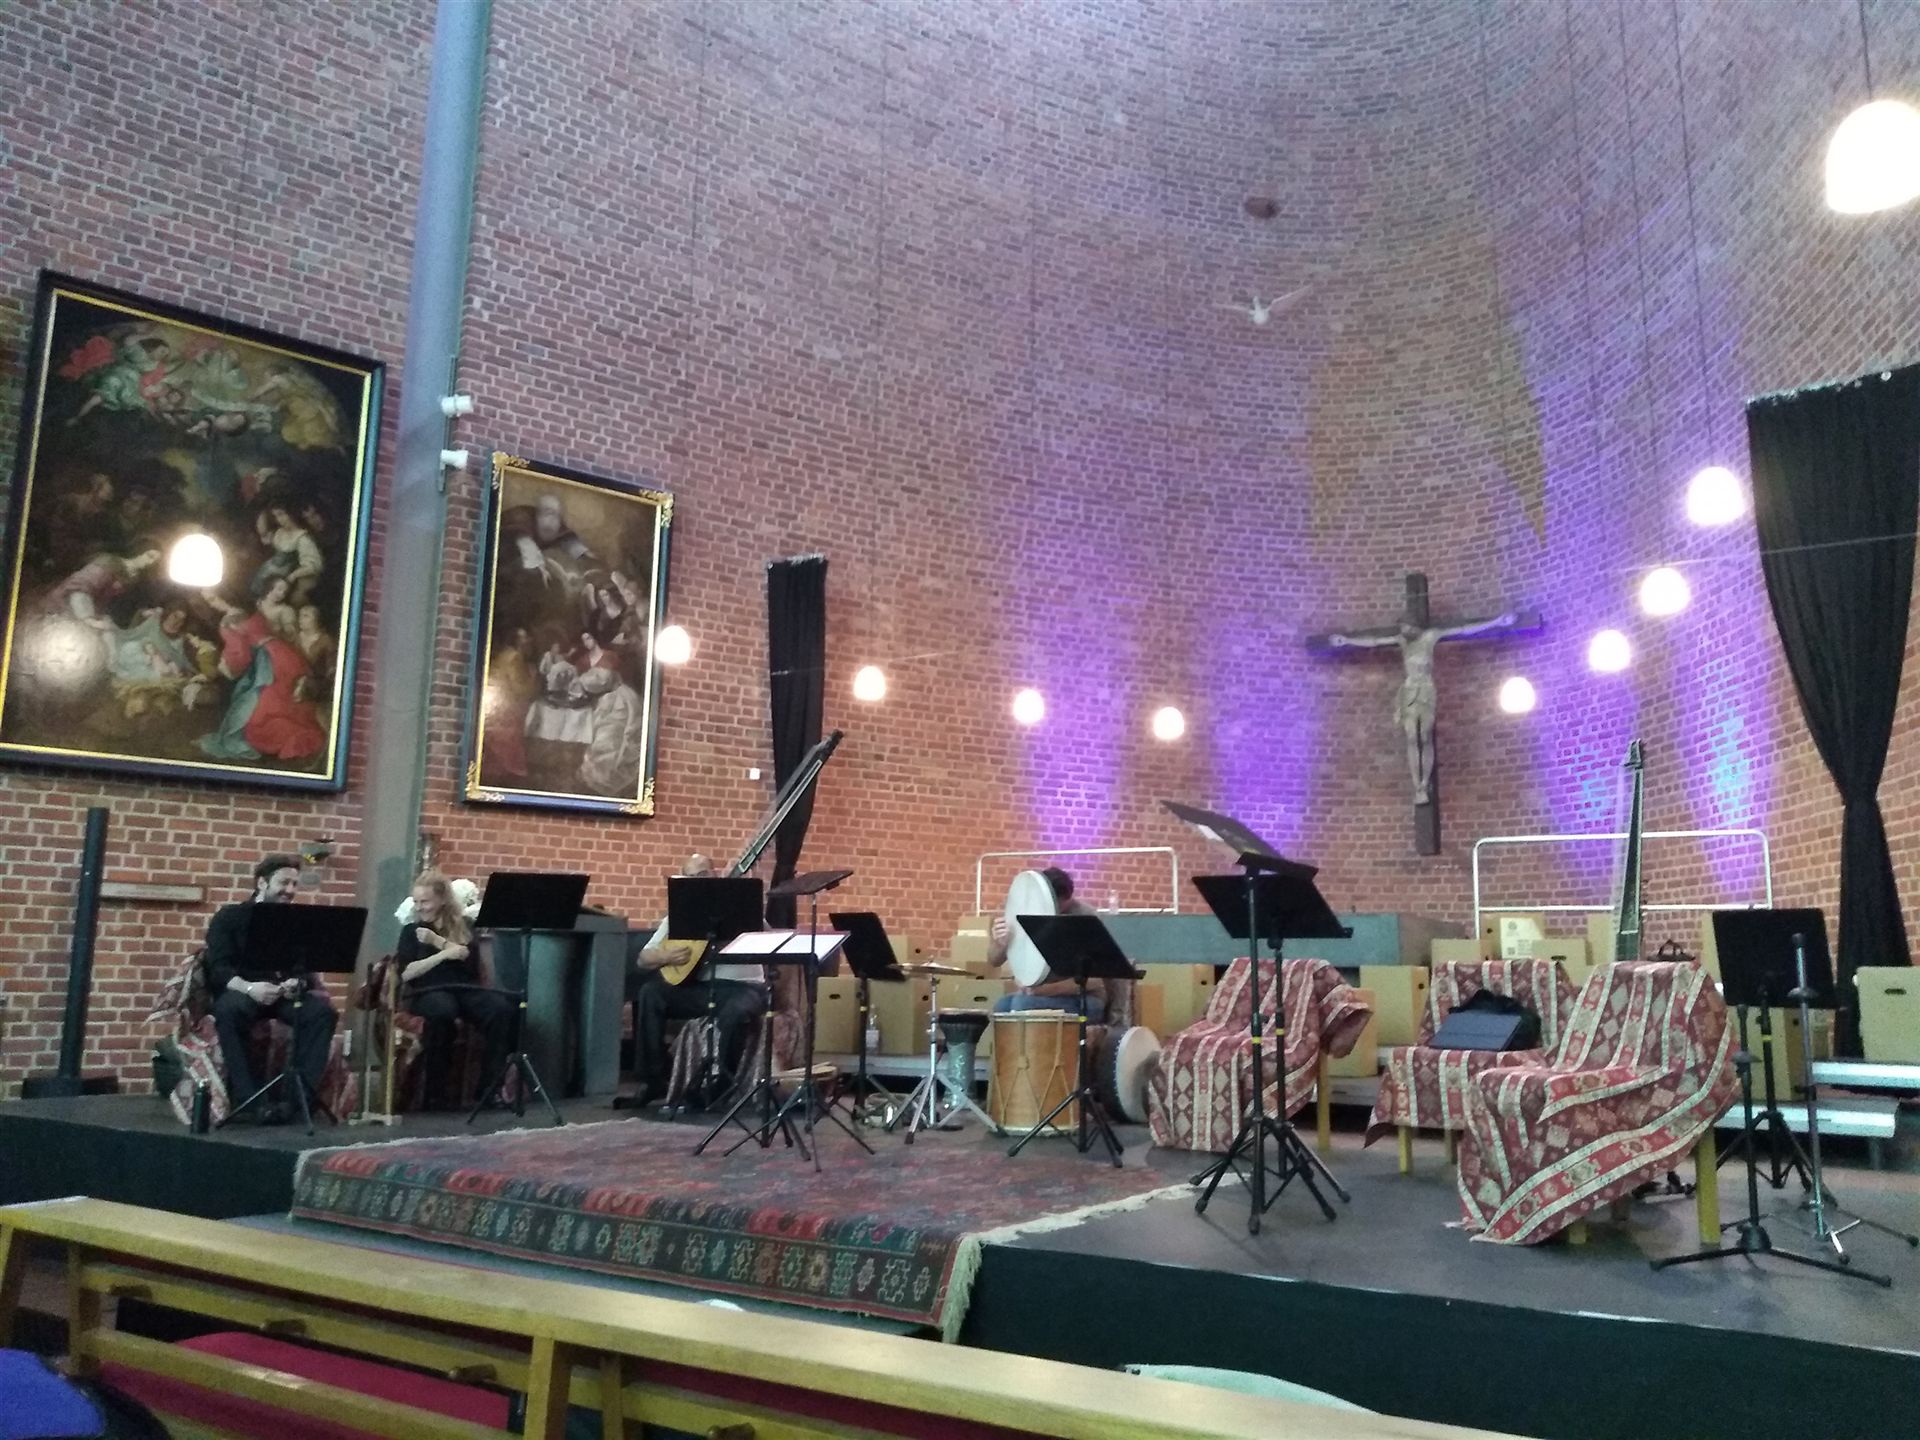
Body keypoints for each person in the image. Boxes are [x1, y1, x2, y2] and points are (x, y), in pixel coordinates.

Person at [1323, 611, 1518, 804]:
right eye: (1402, 627)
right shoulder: (1402, 641)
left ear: (1415, 626)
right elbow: (1375, 641)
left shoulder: (1430, 637)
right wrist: (1347, 641)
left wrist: (1495, 622)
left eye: (1405, 626)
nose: (1403, 630)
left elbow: (1463, 630)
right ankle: (1418, 785)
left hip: (1426, 691)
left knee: (1424, 736)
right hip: (1408, 692)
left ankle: (1425, 781)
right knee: (1411, 737)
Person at [204, 854, 338, 1122]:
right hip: (243, 991)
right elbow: (217, 969)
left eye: (294, 884)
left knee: (322, 1013)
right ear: (262, 883)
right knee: (228, 1012)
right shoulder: (230, 916)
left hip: (281, 995)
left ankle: (297, 1102)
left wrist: (296, 983)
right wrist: (250, 988)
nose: (290, 890)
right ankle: (251, 1101)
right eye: (284, 882)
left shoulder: (296, 922)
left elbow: (306, 973)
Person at [625, 853, 765, 1108]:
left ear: (715, 875)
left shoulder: (741, 906)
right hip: (700, 989)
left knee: (736, 1011)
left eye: (702, 875)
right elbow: (643, 959)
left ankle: (721, 1085)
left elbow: (768, 939)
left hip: (744, 987)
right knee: (651, 992)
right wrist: (666, 956)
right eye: (689, 877)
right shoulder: (679, 915)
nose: (696, 881)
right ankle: (653, 1079)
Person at [394, 870, 515, 1110]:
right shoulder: (411, 931)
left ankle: (489, 1090)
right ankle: (435, 1093)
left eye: (425, 901)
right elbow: (407, 973)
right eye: (416, 902)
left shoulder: (465, 926)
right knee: (443, 1011)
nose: (419, 907)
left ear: (442, 900)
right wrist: (444, 954)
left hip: (464, 988)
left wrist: (437, 942)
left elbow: (467, 958)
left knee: (501, 1010)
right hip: (428, 990)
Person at [989, 866, 1108, 1023]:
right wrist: (1000, 944)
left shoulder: (1086, 918)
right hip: (1037, 994)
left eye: (1056, 905)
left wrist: (1042, 990)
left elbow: (1095, 982)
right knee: (1001, 1007)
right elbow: (994, 961)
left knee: (1021, 1005)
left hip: (1084, 999)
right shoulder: (1030, 910)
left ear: (1067, 898)